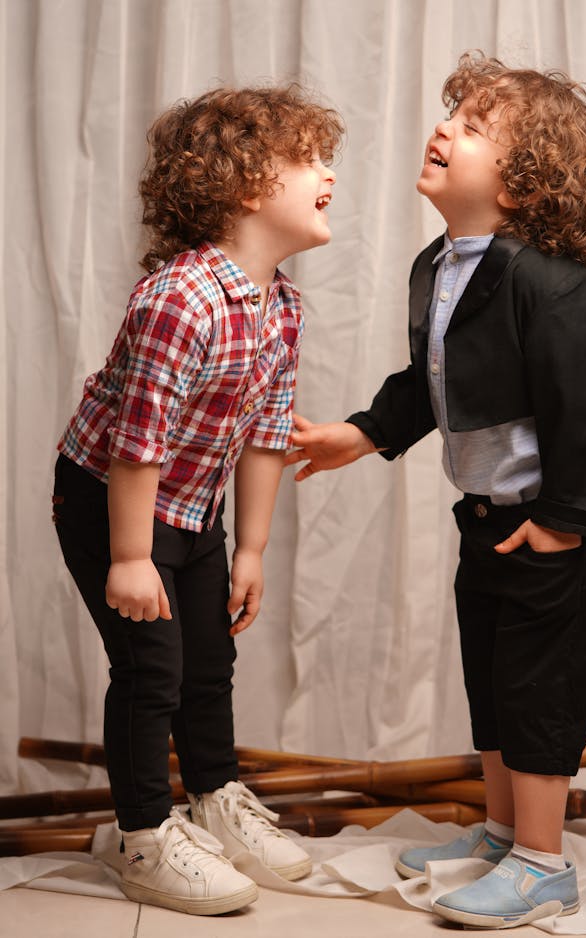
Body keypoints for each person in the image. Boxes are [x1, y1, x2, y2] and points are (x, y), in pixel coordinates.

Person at [285, 51, 586, 929]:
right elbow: (429, 381)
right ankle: (503, 831)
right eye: (451, 115)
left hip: (553, 528)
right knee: (491, 676)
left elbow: (584, 416)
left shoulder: (552, 286)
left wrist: (561, 524)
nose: (444, 128)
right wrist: (360, 433)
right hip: (485, 519)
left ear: (522, 184)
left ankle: (544, 865)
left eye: (472, 128)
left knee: (541, 686)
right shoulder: (441, 265)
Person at [52, 84, 343, 916]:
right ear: (248, 185)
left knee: (209, 660)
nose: (330, 175)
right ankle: (143, 835)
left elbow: (265, 435)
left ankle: (215, 798)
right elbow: (134, 445)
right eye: (310, 160)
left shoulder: (281, 306)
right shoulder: (180, 299)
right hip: (111, 496)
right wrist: (132, 557)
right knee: (152, 668)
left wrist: (247, 550)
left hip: (192, 506)